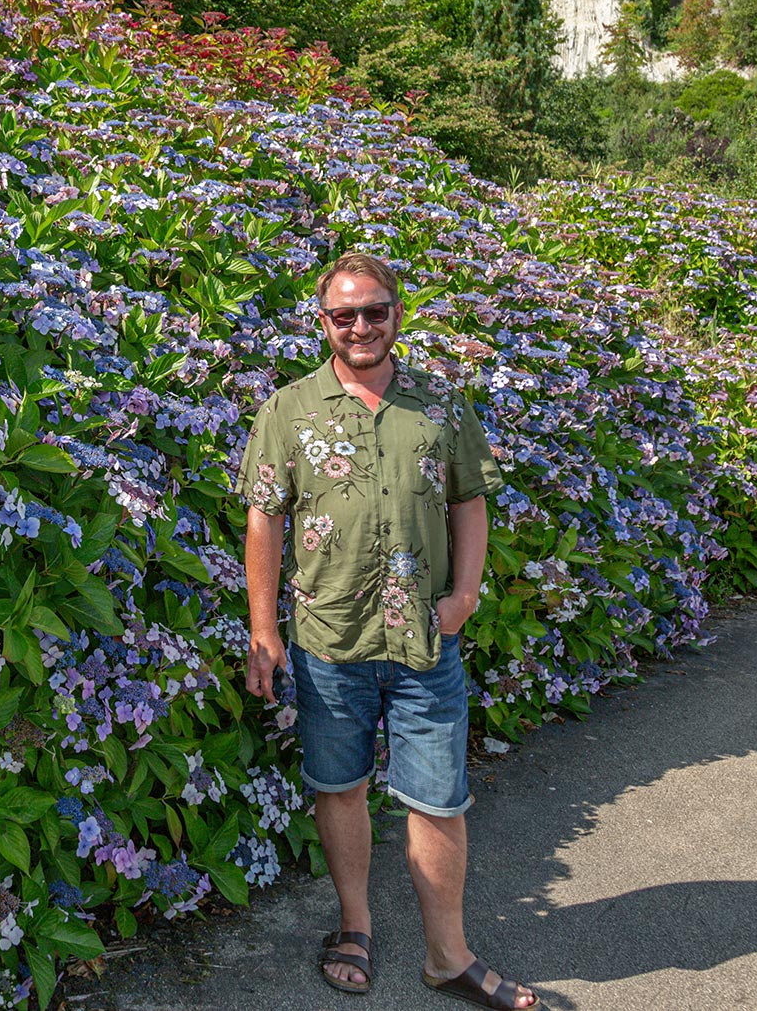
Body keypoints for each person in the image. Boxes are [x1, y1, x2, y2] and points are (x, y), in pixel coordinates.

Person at [236, 251, 537, 1008]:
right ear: (324, 322)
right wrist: (263, 630)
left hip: (423, 640)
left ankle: (449, 955)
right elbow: (264, 519)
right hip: (328, 638)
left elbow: (469, 498)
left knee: (438, 800)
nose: (361, 325)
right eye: (346, 314)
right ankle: (356, 926)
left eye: (375, 310)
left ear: (398, 314)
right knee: (339, 787)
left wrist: (466, 593)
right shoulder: (287, 410)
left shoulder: (441, 405)